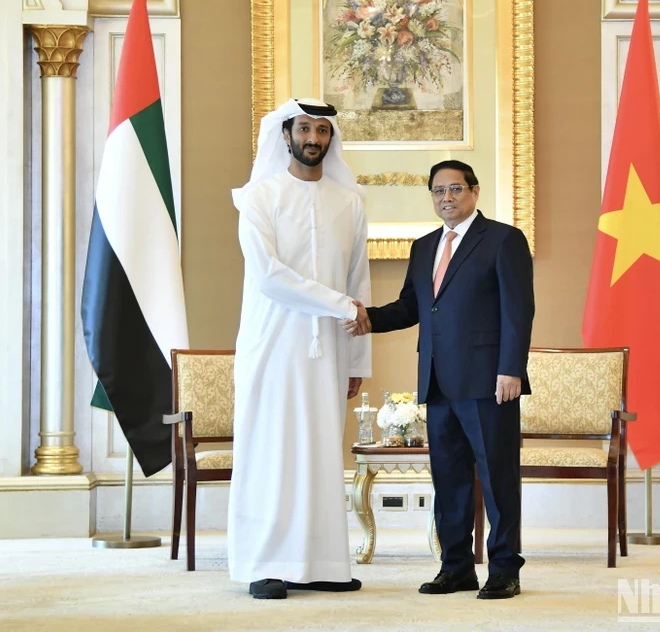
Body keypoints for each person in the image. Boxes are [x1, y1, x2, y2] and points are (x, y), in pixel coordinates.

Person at [345, 160, 534, 599]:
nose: (445, 198)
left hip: (490, 382)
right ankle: (456, 568)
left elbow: (519, 310)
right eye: (437, 191)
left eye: (454, 189)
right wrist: (367, 319)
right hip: (437, 380)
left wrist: (511, 368)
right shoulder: (425, 246)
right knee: (448, 479)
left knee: (497, 479)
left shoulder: (504, 240)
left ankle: (505, 569)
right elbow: (412, 306)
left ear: (475, 191)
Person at [229, 98, 371, 600]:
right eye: (305, 129)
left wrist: (358, 360)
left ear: (331, 140)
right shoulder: (258, 197)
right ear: (285, 134)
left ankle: (324, 564)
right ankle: (264, 563)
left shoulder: (349, 202)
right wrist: (340, 305)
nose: (314, 139)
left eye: (323, 131)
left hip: (330, 349)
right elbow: (269, 277)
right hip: (273, 344)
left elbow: (360, 283)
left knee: (319, 451)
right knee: (273, 450)